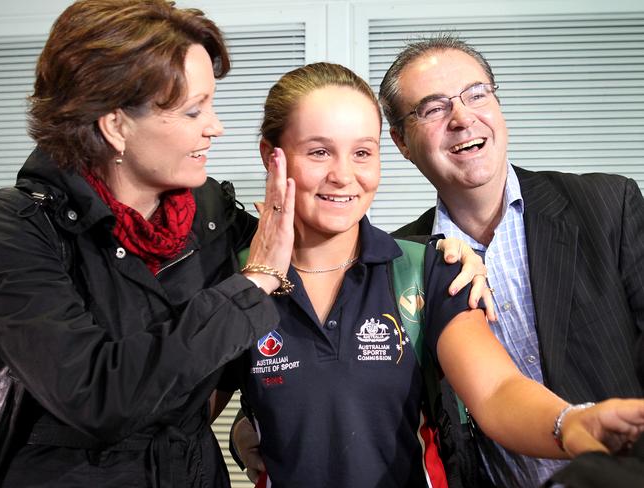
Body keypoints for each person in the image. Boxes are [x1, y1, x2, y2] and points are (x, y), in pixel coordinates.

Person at [224, 61, 644, 488]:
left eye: (363, 153)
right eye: (319, 151)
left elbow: (496, 390)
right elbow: (179, 409)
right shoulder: (231, 280)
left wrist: (571, 422)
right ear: (270, 155)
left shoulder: (425, 268)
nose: (343, 175)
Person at [0, 0, 299, 486]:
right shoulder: (17, 227)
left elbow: (314, 261)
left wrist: (449, 254)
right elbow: (95, 395)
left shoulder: (210, 214)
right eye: (193, 110)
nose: (215, 126)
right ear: (115, 125)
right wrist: (252, 282)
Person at [378, 33, 644, 487]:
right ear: (402, 142)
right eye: (434, 108)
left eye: (476, 94)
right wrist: (252, 423)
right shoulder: (399, 261)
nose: (463, 118)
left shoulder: (605, 204)